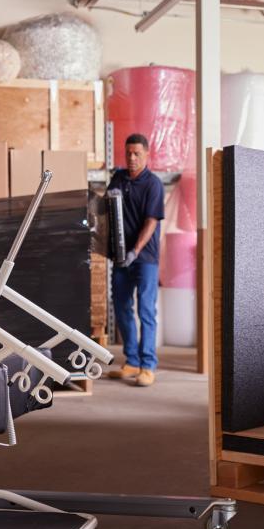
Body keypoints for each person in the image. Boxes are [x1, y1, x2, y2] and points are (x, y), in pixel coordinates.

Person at [107, 133, 165, 387]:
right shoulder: (118, 177)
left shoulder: (153, 184)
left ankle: (148, 365)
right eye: (128, 153)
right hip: (120, 257)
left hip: (145, 258)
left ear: (146, 154)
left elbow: (151, 222)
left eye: (137, 153)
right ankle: (131, 362)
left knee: (145, 310)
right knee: (121, 307)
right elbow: (105, 209)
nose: (131, 157)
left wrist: (135, 251)